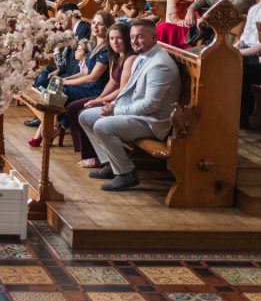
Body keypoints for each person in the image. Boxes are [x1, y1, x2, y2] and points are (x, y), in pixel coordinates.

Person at [79, 19, 182, 191]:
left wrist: (116, 110)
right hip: (137, 114)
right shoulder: (143, 56)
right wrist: (112, 106)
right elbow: (127, 90)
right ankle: (110, 164)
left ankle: (126, 173)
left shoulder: (160, 65)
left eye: (140, 37)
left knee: (103, 126)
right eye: (133, 37)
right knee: (86, 116)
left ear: (154, 38)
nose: (134, 41)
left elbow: (150, 105)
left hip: (153, 121)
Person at [29, 11, 114, 146]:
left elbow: (92, 77)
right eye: (94, 23)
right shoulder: (93, 46)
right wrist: (65, 78)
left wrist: (66, 81)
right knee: (58, 87)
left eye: (101, 24)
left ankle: (51, 129)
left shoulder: (106, 49)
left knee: (63, 90)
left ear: (108, 27)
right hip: (87, 85)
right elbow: (85, 71)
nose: (96, 27)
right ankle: (51, 129)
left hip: (96, 90)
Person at [67, 23, 137, 168]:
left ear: (127, 39)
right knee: (74, 108)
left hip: (120, 100)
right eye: (111, 39)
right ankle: (90, 153)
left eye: (119, 38)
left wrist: (100, 101)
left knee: (81, 110)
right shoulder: (115, 56)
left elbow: (122, 89)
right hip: (110, 96)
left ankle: (95, 156)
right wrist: (98, 99)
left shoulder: (130, 58)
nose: (115, 42)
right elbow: (112, 82)